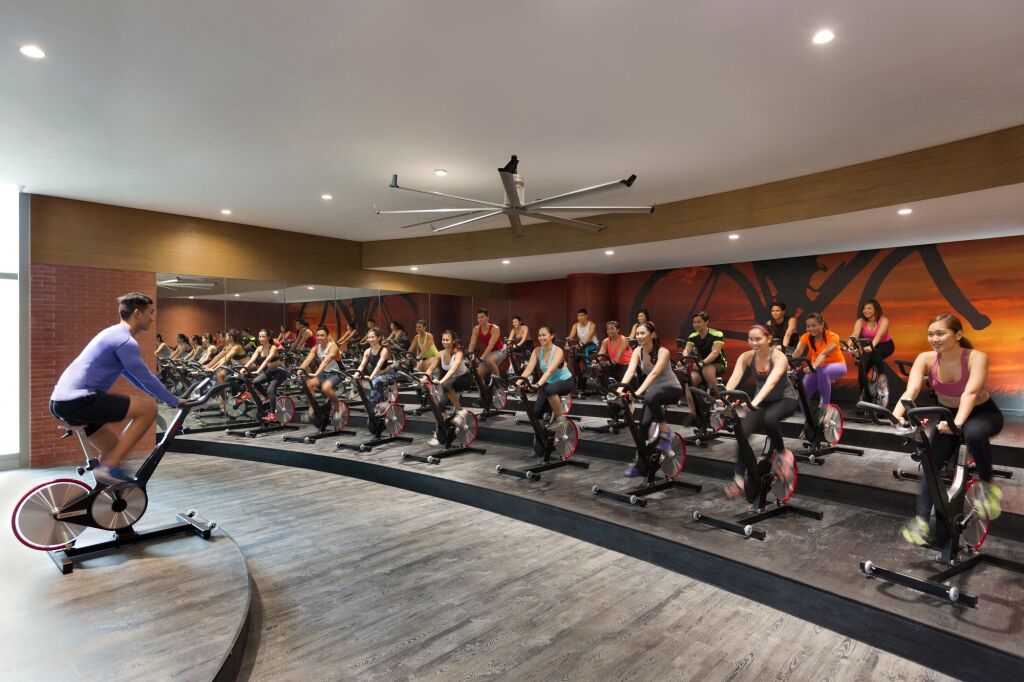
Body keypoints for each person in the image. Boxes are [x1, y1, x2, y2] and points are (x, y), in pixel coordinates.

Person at [49, 292, 185, 485]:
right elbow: (144, 375)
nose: (153, 318)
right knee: (148, 410)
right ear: (137, 313)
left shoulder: (112, 333)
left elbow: (135, 377)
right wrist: (174, 400)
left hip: (61, 402)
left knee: (113, 447)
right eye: (151, 312)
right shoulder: (125, 341)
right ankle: (110, 467)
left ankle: (103, 493)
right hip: (78, 399)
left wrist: (166, 398)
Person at [892, 314, 1003, 545]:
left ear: (958, 334)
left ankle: (988, 487)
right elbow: (911, 391)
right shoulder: (925, 358)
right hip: (948, 416)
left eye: (940, 333)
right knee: (931, 462)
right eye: (931, 334)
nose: (934, 339)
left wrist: (957, 424)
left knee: (973, 433)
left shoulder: (976, 357)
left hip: (982, 413)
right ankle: (922, 521)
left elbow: (970, 394)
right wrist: (896, 416)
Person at [720, 325, 798, 499]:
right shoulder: (746, 357)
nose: (754, 343)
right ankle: (739, 479)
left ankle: (783, 452)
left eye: (758, 339)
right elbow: (734, 378)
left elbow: (771, 382)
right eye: (750, 339)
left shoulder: (779, 357)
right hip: (761, 402)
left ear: (768, 339)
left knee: (770, 419)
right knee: (743, 432)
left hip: (785, 399)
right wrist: (724, 396)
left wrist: (754, 402)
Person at [617, 322, 681, 478]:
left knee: (650, 395)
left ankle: (665, 432)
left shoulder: (663, 351)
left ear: (653, 334)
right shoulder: (637, 351)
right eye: (637, 333)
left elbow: (654, 374)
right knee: (643, 427)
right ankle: (642, 466)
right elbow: (630, 371)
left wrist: (638, 392)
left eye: (643, 333)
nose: (639, 336)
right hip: (653, 394)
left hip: (672, 389)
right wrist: (619, 389)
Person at [518, 325, 575, 436]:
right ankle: (543, 436)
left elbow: (549, 371)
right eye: (539, 335)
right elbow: (529, 369)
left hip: (565, 381)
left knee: (550, 390)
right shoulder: (537, 351)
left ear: (551, 336)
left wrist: (538, 384)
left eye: (544, 335)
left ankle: (560, 419)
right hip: (549, 383)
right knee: (536, 412)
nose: (541, 338)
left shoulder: (558, 351)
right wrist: (517, 383)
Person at [422, 330, 473, 446]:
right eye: (443, 340)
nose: (445, 342)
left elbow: (453, 369)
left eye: (447, 340)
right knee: (438, 406)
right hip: (451, 381)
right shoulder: (440, 353)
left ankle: (460, 410)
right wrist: (424, 378)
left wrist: (441, 381)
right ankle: (440, 434)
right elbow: (431, 368)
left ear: (453, 341)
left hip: (464, 379)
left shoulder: (458, 353)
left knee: (445, 385)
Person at [792, 313, 847, 418]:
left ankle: (826, 407)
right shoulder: (806, 337)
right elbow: (797, 352)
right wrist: (788, 362)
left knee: (823, 371)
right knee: (803, 395)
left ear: (822, 324)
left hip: (837, 366)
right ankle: (810, 422)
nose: (811, 329)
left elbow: (824, 354)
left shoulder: (833, 336)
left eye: (814, 325)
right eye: (808, 326)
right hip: (817, 368)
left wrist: (813, 367)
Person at [683, 311, 727, 418]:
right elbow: (687, 350)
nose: (696, 324)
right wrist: (683, 359)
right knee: (689, 381)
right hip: (701, 366)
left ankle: (721, 399)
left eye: (699, 322)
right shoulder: (693, 336)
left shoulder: (717, 334)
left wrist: (702, 362)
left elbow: (715, 352)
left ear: (706, 322)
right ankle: (693, 413)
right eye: (694, 322)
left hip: (718, 364)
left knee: (707, 370)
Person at [240, 329, 289, 419]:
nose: (260, 338)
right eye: (259, 337)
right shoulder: (259, 348)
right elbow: (251, 360)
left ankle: (273, 414)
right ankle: (267, 397)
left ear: (268, 337)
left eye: (263, 337)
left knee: (271, 390)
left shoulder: (273, 347)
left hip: (280, 371)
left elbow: (266, 361)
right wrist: (243, 368)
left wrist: (258, 371)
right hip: (270, 371)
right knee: (255, 382)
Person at [298, 325, 346, 417]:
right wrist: (299, 370)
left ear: (327, 336)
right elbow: (308, 360)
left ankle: (338, 405)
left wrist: (317, 373)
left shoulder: (333, 347)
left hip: (338, 372)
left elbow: (326, 361)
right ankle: (312, 407)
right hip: (325, 372)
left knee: (325, 388)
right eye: (318, 335)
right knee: (309, 384)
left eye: (322, 335)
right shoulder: (316, 347)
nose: (319, 337)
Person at [849, 299, 895, 380]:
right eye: (864, 309)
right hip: (869, 345)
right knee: (863, 365)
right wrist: (847, 345)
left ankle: (882, 378)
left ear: (876, 309)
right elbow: (855, 334)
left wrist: (871, 346)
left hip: (886, 345)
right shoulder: (860, 321)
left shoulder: (884, 320)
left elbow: (879, 336)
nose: (866, 311)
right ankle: (863, 385)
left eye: (869, 308)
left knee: (875, 353)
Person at [355, 328, 396, 414]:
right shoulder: (367, 351)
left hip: (388, 374)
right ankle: (377, 407)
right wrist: (355, 375)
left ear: (378, 338)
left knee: (376, 380)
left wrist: (371, 377)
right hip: (376, 375)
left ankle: (372, 406)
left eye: (372, 337)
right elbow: (361, 366)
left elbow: (378, 366)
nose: (370, 339)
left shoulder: (384, 350)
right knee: (374, 382)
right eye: (369, 337)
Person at [466, 308, 505, 384]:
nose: (479, 319)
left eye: (482, 317)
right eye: (478, 318)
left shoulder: (495, 328)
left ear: (487, 317)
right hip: (488, 353)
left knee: (489, 360)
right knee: (479, 375)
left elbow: (491, 345)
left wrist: (483, 357)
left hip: (500, 351)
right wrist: (469, 355)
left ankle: (498, 384)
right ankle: (483, 391)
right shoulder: (476, 329)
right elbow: (472, 343)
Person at [566, 308, 599, 389]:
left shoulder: (592, 325)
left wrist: (581, 345)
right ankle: (576, 374)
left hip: (592, 344)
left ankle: (588, 368)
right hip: (582, 344)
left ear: (586, 316)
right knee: (573, 355)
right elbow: (571, 336)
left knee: (585, 349)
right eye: (578, 316)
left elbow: (588, 338)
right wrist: (568, 341)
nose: (579, 317)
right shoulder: (575, 325)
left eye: (581, 315)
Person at [596, 320, 633, 389]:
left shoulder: (623, 339)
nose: (609, 331)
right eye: (608, 329)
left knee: (622, 383)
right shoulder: (606, 341)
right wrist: (595, 361)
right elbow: (601, 353)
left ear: (618, 330)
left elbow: (619, 354)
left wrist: (612, 363)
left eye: (612, 328)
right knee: (601, 368)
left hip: (626, 364)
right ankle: (606, 390)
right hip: (615, 363)